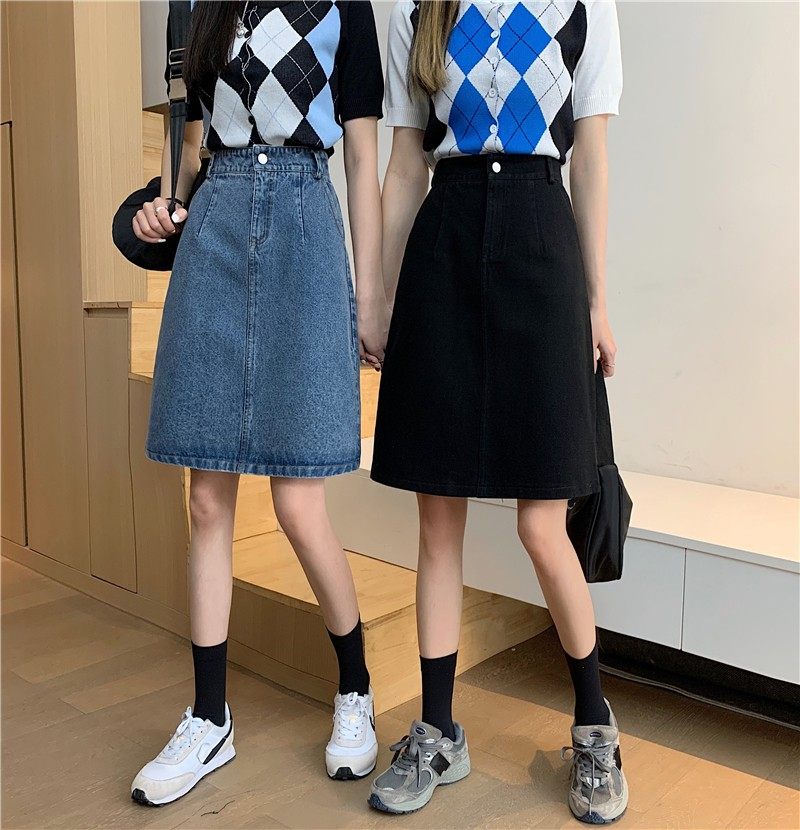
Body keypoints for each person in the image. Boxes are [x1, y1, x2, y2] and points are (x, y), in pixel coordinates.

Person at [369, 1, 627, 823]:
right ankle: (438, 730)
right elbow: (405, 167)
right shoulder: (419, 9)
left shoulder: (583, 5)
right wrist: (381, 296)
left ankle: (595, 725)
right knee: (437, 520)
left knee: (543, 524)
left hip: (542, 245)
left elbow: (591, 159)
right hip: (443, 251)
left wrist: (596, 300)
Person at [129, 0, 388, 805]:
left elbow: (363, 156)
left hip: (307, 224)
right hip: (215, 225)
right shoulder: (198, 6)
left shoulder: (344, 5)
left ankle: (355, 686)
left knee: (298, 502)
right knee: (207, 498)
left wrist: (371, 296)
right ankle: (210, 717)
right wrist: (163, 205)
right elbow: (191, 146)